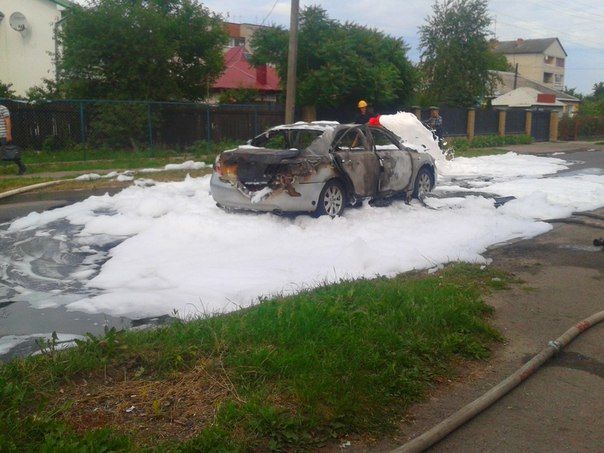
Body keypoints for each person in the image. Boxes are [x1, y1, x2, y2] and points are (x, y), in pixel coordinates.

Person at [0, 103, 26, 175]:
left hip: (3, 135)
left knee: (9, 153)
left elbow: (8, 122)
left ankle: (22, 166)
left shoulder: (3, 108)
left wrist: (8, 134)